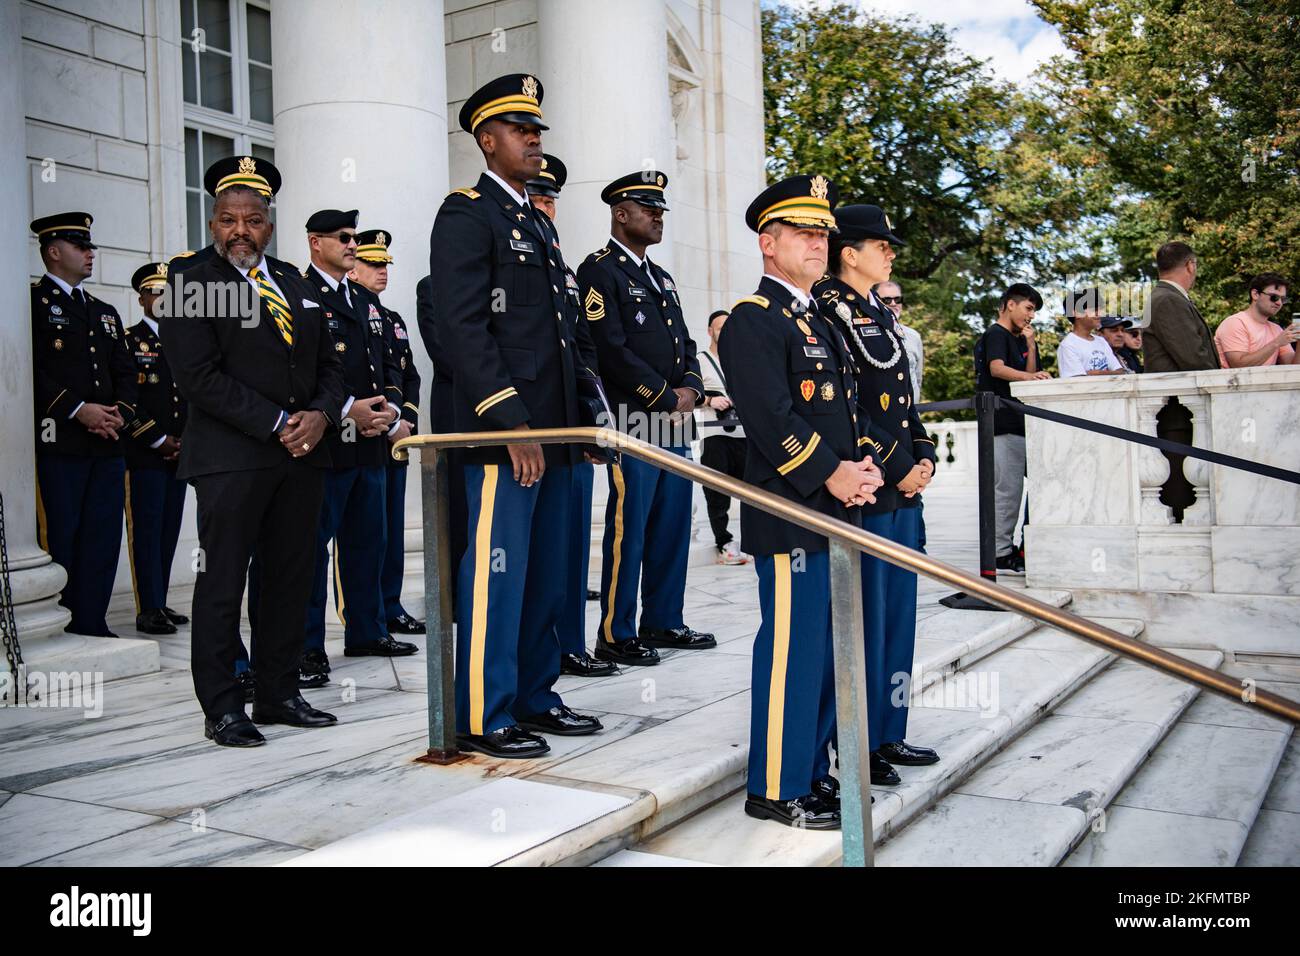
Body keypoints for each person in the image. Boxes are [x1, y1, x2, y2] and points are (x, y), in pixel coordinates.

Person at [429, 74, 602, 759]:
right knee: (497, 574)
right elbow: (463, 328)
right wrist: (509, 423)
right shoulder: (467, 214)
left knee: (547, 576)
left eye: (537, 129)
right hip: (508, 437)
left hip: (556, 435)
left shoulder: (535, 221)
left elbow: (565, 338)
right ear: (487, 139)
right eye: (521, 130)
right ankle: (483, 710)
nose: (534, 139)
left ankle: (535, 693)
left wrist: (586, 418)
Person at [720, 174, 885, 830]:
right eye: (805, 233)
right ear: (768, 241)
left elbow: (847, 409)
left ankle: (812, 771)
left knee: (822, 647)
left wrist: (862, 466)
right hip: (789, 509)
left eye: (824, 233)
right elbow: (771, 417)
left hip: (835, 505)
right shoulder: (752, 321)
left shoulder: (819, 317)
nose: (820, 243)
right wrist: (831, 473)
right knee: (792, 648)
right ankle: (776, 786)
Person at [161, 155, 343, 746]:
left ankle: (278, 691)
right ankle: (222, 706)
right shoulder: (193, 283)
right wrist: (277, 421)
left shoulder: (294, 280)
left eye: (254, 220)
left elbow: (331, 364)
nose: (241, 231)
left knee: (289, 578)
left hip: (301, 457)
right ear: (213, 223)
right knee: (222, 583)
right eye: (227, 219)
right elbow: (197, 377)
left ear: (270, 223)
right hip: (233, 460)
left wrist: (318, 415)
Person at [815, 205, 939, 788]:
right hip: (869, 485)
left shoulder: (876, 313)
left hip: (901, 488)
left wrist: (924, 454)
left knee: (896, 617)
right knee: (863, 619)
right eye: (881, 245)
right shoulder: (827, 311)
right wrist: (895, 468)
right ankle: (857, 742)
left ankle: (890, 730)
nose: (890, 253)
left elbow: (903, 399)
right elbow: (846, 408)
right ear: (850, 252)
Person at [578, 170, 715, 667]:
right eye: (647, 207)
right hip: (634, 420)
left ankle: (664, 619)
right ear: (620, 213)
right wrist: (663, 396)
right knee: (628, 529)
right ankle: (616, 631)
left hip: (675, 423)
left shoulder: (662, 277)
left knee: (672, 525)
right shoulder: (599, 270)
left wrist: (694, 388)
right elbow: (607, 349)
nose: (658, 215)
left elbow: (687, 344)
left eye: (660, 208)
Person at [296, 209, 416, 687]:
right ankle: (306, 647)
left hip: (370, 443)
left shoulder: (363, 302)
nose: (353, 245)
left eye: (353, 238)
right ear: (315, 243)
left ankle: (367, 629)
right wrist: (349, 408)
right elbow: (306, 370)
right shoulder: (302, 293)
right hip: (329, 445)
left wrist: (390, 413)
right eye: (343, 238)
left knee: (369, 542)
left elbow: (389, 365)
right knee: (312, 550)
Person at [526, 154, 618, 678]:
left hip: (571, 428)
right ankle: (533, 662)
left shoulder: (562, 271)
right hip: (522, 432)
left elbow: (583, 349)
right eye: (536, 195)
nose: (544, 205)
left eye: (550, 198)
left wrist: (595, 414)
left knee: (567, 548)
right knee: (528, 560)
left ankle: (569, 645)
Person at [30, 212, 137, 639]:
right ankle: (62, 620)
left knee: (102, 535)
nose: (90, 253)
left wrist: (119, 415)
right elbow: (31, 371)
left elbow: (125, 373)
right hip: (62, 442)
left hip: (107, 443)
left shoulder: (105, 313)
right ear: (54, 252)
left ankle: (92, 618)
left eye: (90, 246)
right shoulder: (33, 304)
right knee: (62, 532)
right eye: (80, 246)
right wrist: (79, 410)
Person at [348, 228, 426, 635]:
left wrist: (401, 418)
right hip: (361, 436)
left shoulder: (391, 320)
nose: (381, 271)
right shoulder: (348, 311)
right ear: (354, 266)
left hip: (396, 438)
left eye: (384, 265)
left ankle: (390, 606)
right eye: (372, 264)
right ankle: (362, 614)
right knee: (362, 537)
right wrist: (385, 419)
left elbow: (405, 374)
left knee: (392, 531)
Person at [123, 261, 189, 637]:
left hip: (178, 453)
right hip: (146, 452)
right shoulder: (130, 342)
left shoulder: (182, 342)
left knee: (168, 529)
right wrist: (158, 439)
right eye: (156, 291)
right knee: (146, 531)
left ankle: (160, 600)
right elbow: (128, 400)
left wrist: (186, 441)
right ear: (142, 298)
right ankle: (147, 607)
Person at [974, 283, 1050, 575]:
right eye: (1028, 308)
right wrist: (1028, 378)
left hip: (1022, 423)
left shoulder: (1021, 338)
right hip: (1001, 423)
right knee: (1007, 491)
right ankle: (999, 552)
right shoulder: (996, 334)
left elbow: (1031, 371)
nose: (1031, 316)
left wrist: (1031, 347)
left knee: (1039, 485)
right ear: (1009, 304)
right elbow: (997, 369)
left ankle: (1022, 545)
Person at [415, 272, 468, 619]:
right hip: (456, 408)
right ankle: (454, 595)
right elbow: (443, 351)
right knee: (457, 504)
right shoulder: (432, 286)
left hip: (498, 410)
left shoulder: (489, 280)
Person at [696, 309, 750, 565]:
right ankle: (724, 543)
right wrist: (710, 399)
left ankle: (752, 541)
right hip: (715, 435)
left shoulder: (741, 359)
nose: (724, 332)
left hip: (744, 435)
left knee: (753, 491)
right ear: (710, 331)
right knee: (717, 494)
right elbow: (690, 395)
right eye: (719, 328)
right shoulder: (700, 361)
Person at [1144, 241, 1217, 372]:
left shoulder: (1166, 296)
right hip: (1179, 389)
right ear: (1190, 266)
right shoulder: (1168, 299)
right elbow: (1193, 358)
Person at [1215, 273, 1298, 368]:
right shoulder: (1235, 323)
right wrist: (1277, 343)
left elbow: (1294, 367)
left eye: (1283, 299)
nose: (1279, 303)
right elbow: (1239, 365)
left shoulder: (1276, 329)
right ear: (1255, 294)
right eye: (1274, 297)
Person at [1056, 288, 1129, 377]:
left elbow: (1121, 372)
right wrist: (1109, 374)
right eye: (1094, 310)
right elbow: (1077, 381)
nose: (1100, 314)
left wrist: (1097, 373)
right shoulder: (1068, 345)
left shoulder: (1101, 341)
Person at [875, 280, 923, 403]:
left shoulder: (914, 336)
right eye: (887, 300)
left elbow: (917, 379)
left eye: (897, 299)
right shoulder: (864, 334)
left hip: (911, 414)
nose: (893, 303)